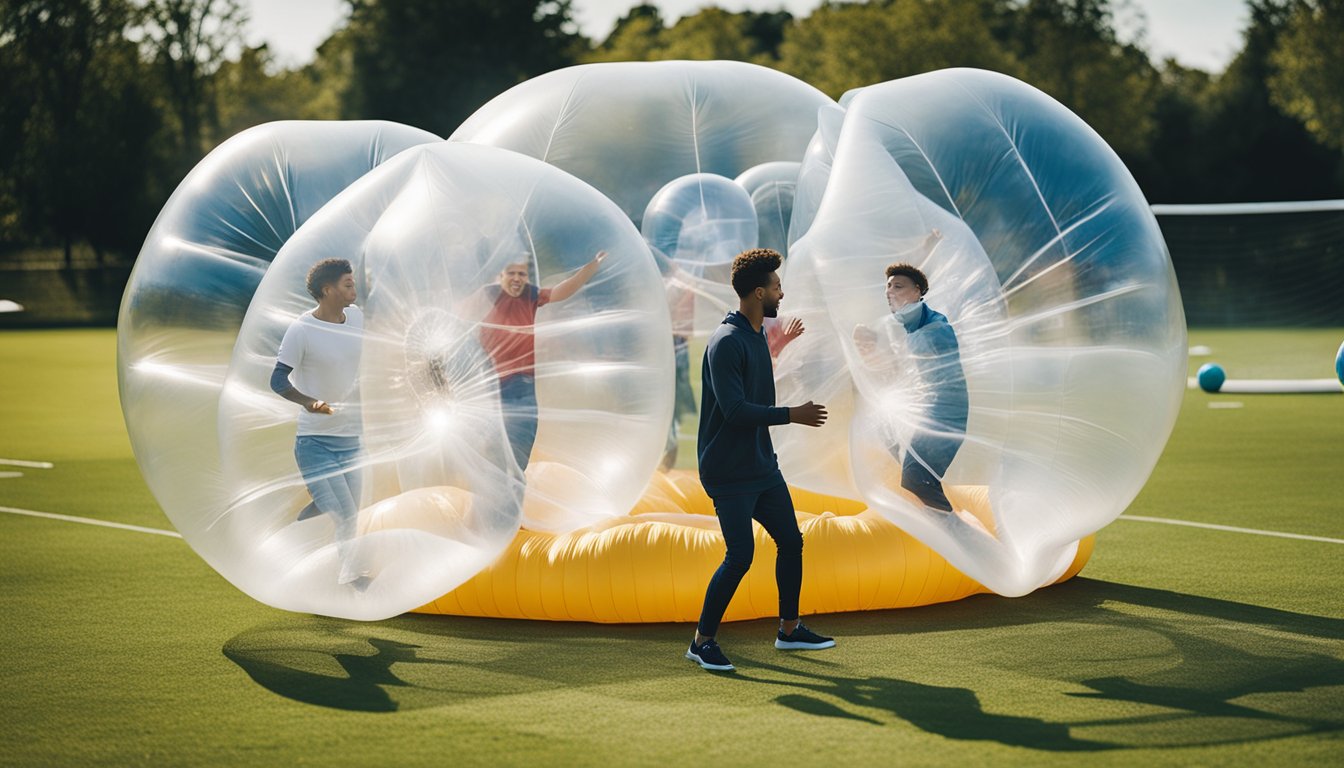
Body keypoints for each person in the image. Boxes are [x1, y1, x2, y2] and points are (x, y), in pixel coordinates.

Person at [686, 247, 835, 673]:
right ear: (757, 292)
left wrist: (778, 347)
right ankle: (702, 641)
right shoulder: (726, 341)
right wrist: (794, 415)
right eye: (776, 287)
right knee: (741, 556)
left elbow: (748, 382)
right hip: (728, 471)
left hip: (760, 465)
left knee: (791, 541)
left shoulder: (752, 336)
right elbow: (734, 410)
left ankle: (789, 630)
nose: (781, 293)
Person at [270, 258, 371, 591]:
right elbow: (277, 380)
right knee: (344, 514)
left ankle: (319, 501)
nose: (354, 289)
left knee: (351, 514)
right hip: (316, 443)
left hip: (352, 439)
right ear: (328, 290)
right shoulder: (302, 330)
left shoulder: (356, 318)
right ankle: (353, 579)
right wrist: (309, 403)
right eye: (347, 284)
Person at [853, 246, 969, 514]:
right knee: (906, 467)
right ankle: (941, 529)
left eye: (898, 287)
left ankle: (958, 534)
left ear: (917, 291)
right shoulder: (908, 324)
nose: (890, 292)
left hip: (945, 414)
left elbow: (938, 365)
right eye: (888, 289)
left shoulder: (934, 327)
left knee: (916, 479)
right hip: (929, 410)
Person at [472, 251, 609, 471]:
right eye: (512, 273)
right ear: (501, 275)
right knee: (492, 447)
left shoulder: (530, 295)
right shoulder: (487, 294)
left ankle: (513, 486)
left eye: (522, 274)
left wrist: (590, 267)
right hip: (490, 382)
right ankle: (493, 485)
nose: (517, 278)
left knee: (520, 446)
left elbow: (561, 292)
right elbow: (460, 313)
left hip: (522, 383)